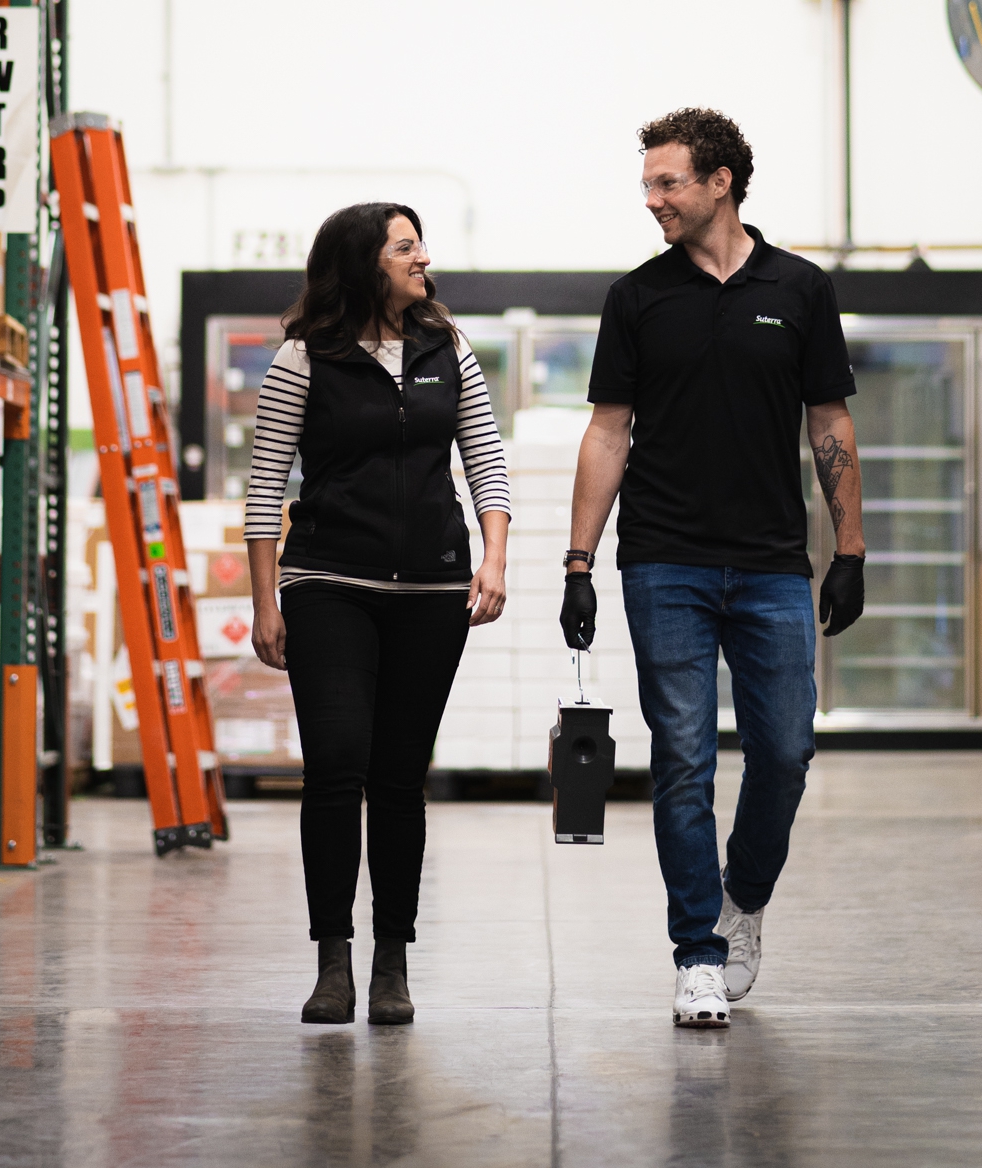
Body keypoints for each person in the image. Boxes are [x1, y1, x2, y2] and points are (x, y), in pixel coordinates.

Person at [559, 109, 866, 1028]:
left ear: (720, 182)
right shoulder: (638, 298)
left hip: (774, 565)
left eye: (668, 183)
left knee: (785, 752)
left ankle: (745, 895)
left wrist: (848, 550)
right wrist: (579, 561)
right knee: (683, 759)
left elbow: (830, 426)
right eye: (648, 183)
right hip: (664, 563)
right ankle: (697, 951)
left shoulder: (801, 289)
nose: (651, 199)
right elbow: (608, 432)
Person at [245, 202, 511, 1026]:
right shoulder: (305, 358)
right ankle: (334, 962)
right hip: (329, 584)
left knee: (400, 781)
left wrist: (492, 557)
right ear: (365, 263)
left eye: (419, 244)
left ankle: (393, 964)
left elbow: (486, 460)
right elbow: (264, 490)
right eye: (405, 246)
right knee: (334, 769)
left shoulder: (447, 348)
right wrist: (265, 601)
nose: (422, 257)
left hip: (432, 591)